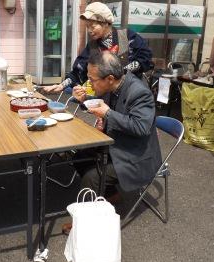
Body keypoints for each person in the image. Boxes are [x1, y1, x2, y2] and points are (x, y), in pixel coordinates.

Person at [62, 51, 162, 234]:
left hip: (137, 156)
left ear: (109, 78)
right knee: (79, 156)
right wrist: (85, 99)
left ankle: (83, 224)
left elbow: (141, 127)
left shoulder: (139, 92)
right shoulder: (114, 86)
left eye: (92, 79)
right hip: (118, 144)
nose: (89, 83)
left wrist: (108, 114)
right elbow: (101, 105)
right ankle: (110, 194)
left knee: (92, 176)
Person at [43, 2, 153, 93]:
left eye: (93, 26)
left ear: (105, 23)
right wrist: (61, 86)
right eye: (87, 27)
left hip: (134, 93)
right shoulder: (92, 46)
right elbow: (78, 71)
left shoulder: (127, 36)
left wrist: (122, 72)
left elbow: (144, 58)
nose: (89, 30)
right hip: (109, 99)